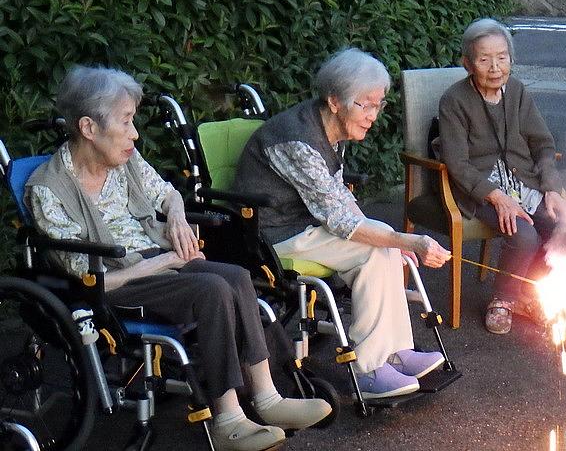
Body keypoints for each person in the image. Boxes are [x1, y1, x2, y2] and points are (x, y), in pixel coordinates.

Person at [25, 66, 331, 451]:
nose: (135, 134)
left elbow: (167, 192)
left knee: (236, 277)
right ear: (88, 127)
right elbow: (92, 278)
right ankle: (228, 419)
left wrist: (178, 218)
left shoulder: (127, 160)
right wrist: (166, 261)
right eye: (126, 122)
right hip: (118, 282)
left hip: (160, 260)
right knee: (213, 291)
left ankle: (268, 399)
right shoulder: (48, 190)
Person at [232, 48, 452, 400]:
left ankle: (395, 351)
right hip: (274, 233)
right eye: (364, 105)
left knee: (382, 242)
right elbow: (339, 220)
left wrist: (395, 242)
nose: (373, 115)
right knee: (373, 250)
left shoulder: (330, 128)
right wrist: (408, 242)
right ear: (334, 101)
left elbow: (338, 201)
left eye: (378, 105)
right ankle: (368, 370)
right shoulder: (296, 140)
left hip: (305, 224)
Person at [438, 18, 566, 335]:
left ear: (511, 60)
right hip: (480, 189)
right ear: (467, 63)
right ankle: (502, 300)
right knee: (524, 235)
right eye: (484, 58)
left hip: (524, 182)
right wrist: (496, 196)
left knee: (562, 224)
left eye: (502, 57)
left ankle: (529, 294)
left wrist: (552, 189)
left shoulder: (517, 92)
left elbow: (543, 144)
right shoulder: (454, 101)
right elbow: (458, 163)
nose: (494, 66)